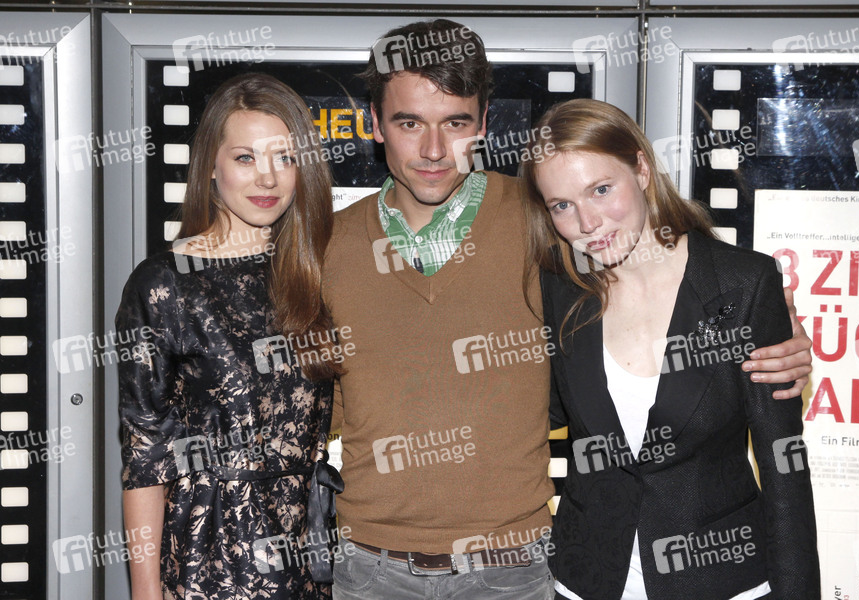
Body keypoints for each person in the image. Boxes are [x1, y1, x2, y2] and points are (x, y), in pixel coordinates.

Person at [323, 19, 815, 600]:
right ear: (374, 123)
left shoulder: (540, 223)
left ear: (483, 123)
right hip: (372, 569)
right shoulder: (323, 245)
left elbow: (679, 282)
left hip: (515, 570)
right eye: (410, 123)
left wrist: (775, 335)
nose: (434, 150)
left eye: (455, 123)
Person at [520, 98, 820, 599]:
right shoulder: (558, 288)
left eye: (600, 189)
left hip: (722, 581)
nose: (588, 223)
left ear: (641, 169)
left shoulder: (743, 283)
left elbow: (783, 465)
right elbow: (535, 411)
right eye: (562, 206)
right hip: (585, 581)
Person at [116, 73, 341, 600]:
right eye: (245, 157)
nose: (268, 178)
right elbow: (146, 457)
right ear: (211, 167)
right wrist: (146, 595)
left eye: (285, 158)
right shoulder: (165, 284)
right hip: (208, 558)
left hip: (306, 555)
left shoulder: (315, 271)